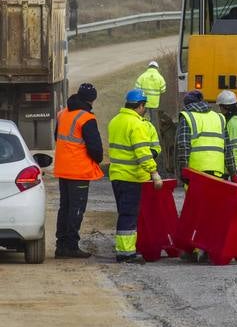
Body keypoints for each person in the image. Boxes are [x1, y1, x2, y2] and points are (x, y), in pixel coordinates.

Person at [108, 87, 163, 264]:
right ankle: (126, 253)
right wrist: (153, 172)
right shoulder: (137, 124)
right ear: (139, 106)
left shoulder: (115, 121)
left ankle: (124, 250)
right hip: (131, 177)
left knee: (124, 213)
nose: (144, 109)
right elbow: (143, 153)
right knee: (129, 215)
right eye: (144, 106)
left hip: (117, 175)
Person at [54, 82, 103, 259]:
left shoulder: (63, 113)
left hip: (63, 169)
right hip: (78, 171)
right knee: (76, 209)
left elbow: (57, 137)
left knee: (64, 207)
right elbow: (95, 148)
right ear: (92, 99)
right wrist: (98, 159)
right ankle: (72, 246)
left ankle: (61, 245)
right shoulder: (87, 118)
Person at [175, 90, 235, 183]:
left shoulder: (187, 117)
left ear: (187, 104)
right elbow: (228, 149)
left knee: (196, 198)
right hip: (217, 172)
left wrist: (183, 170)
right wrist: (233, 173)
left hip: (195, 172)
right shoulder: (219, 117)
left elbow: (183, 146)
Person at [135, 60, 166, 131]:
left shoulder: (142, 76)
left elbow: (136, 88)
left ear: (148, 67)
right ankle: (152, 132)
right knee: (154, 121)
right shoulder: (160, 77)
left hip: (143, 103)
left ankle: (141, 130)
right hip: (154, 103)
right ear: (157, 68)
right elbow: (163, 89)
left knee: (140, 118)